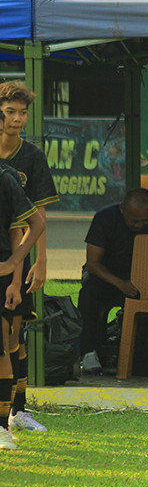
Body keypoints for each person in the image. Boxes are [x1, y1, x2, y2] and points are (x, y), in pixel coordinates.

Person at [0, 80, 58, 434]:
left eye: (23, 113)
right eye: (11, 112)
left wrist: (42, 259)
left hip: (16, 252)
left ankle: (17, 411)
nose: (17, 119)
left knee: (14, 333)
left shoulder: (32, 156)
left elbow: (38, 214)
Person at [77, 188, 148, 374]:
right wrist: (120, 283)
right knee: (89, 292)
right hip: (106, 277)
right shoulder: (104, 219)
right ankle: (88, 351)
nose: (139, 225)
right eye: (133, 220)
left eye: (144, 221)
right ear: (122, 209)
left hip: (142, 278)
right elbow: (93, 264)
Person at [0, 164, 46, 450]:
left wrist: (14, 268)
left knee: (4, 343)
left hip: (3, 273)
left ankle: (4, 427)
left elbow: (33, 224)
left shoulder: (6, 178)